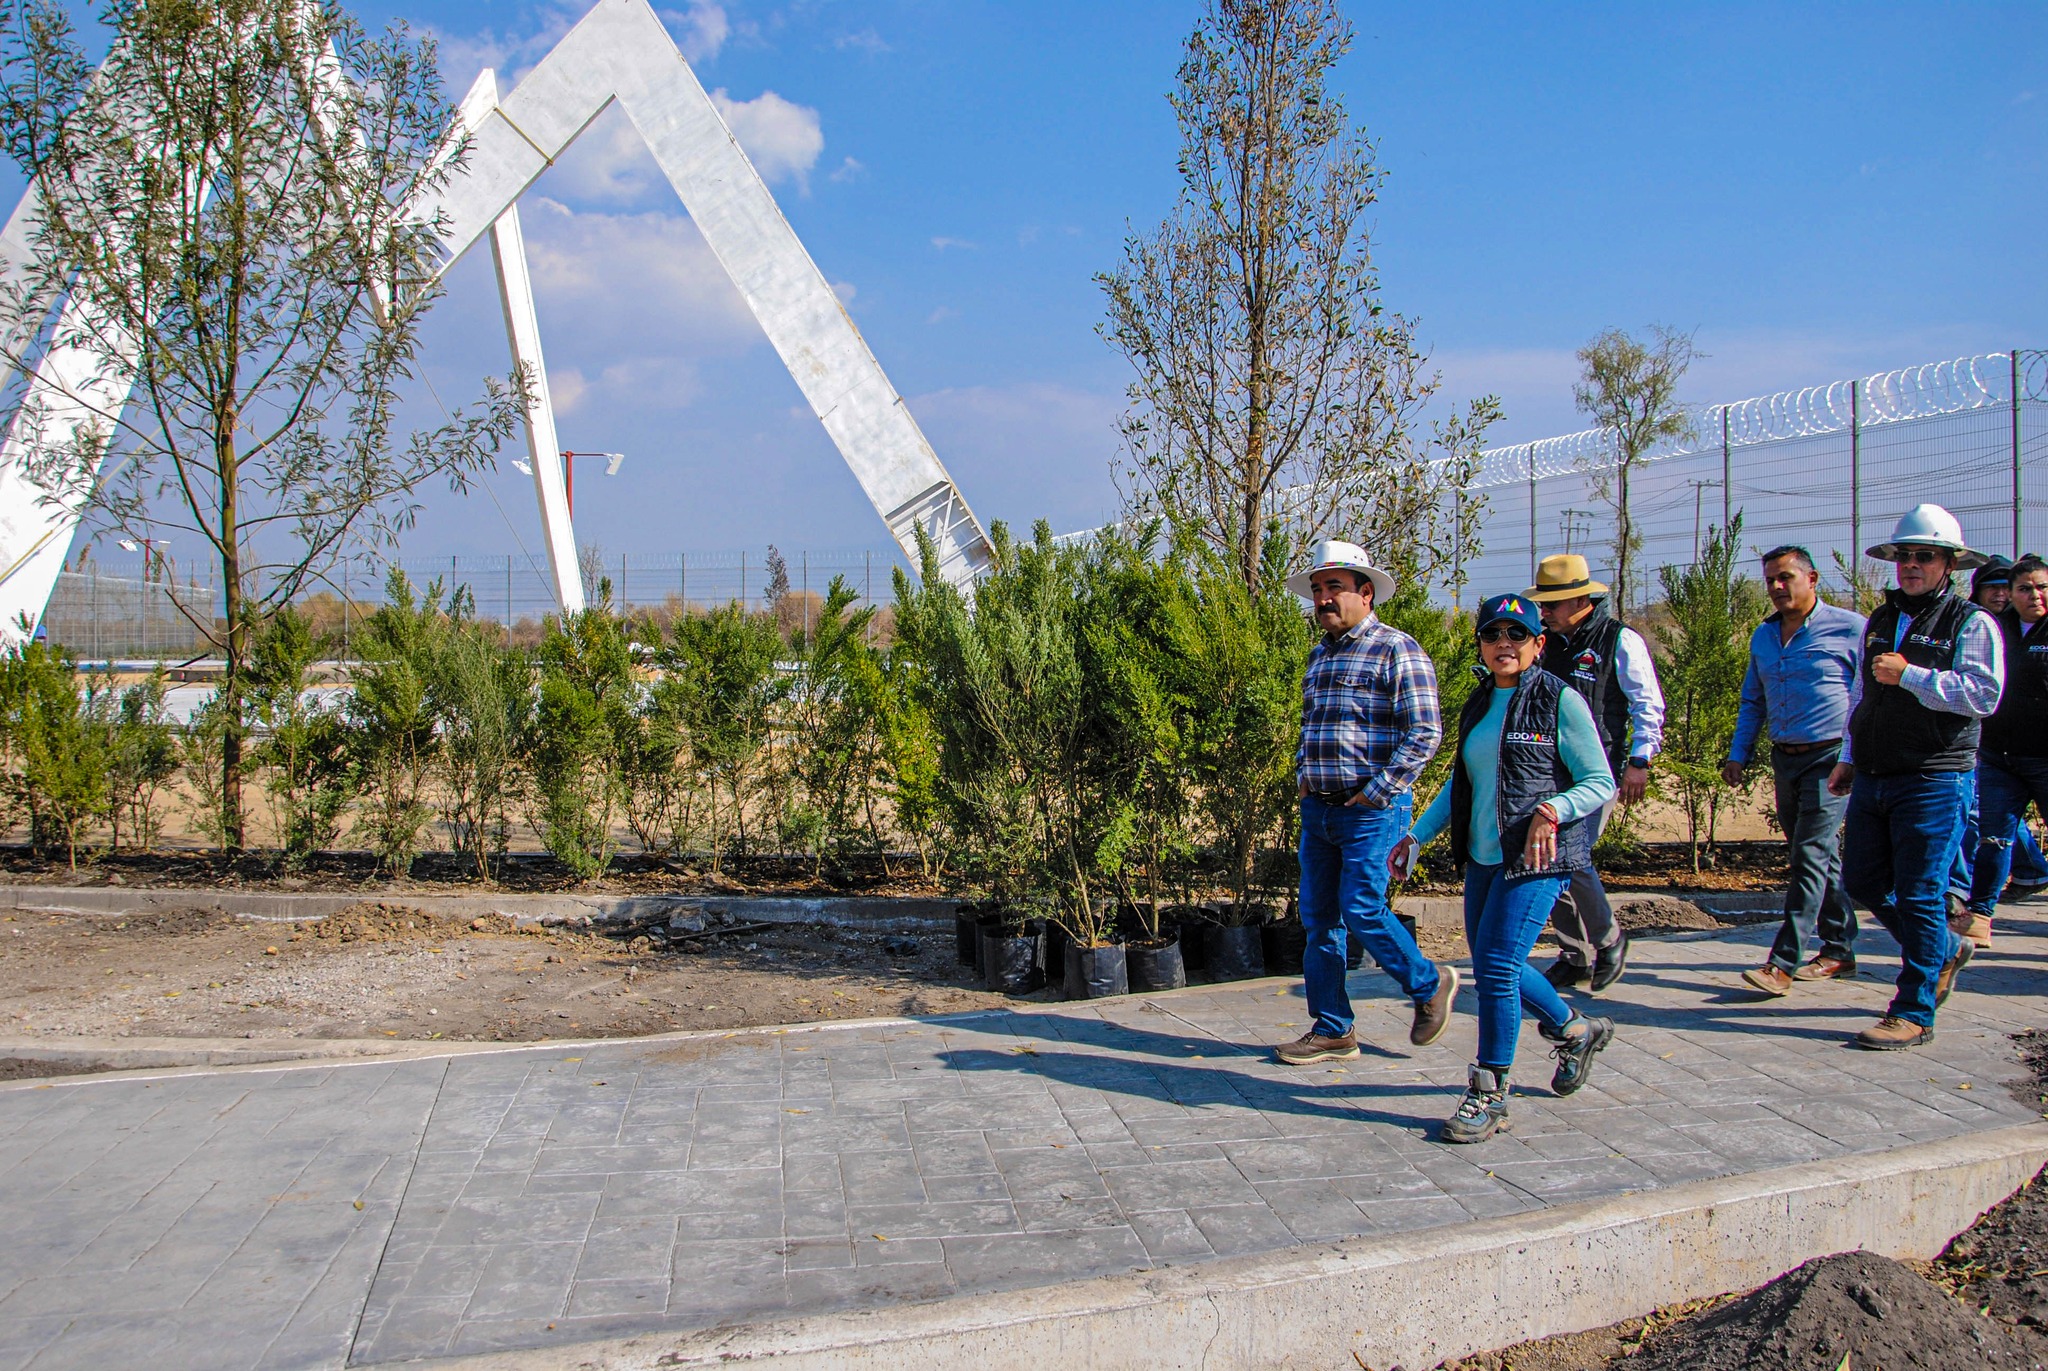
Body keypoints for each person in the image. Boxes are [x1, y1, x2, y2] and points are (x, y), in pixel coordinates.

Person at [1391, 593, 1617, 1144]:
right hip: (1484, 859)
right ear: (1481, 645)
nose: (1504, 644)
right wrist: (1416, 835)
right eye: (1493, 634)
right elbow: (1460, 784)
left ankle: (1489, 1092)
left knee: (1493, 968)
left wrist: (1552, 810)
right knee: (1503, 967)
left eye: (1518, 634)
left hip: (1536, 860)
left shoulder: (1560, 701)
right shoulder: (1478, 703)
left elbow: (1599, 781)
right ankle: (1574, 1030)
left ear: (1539, 644)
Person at [1275, 540, 1459, 1066]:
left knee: (1361, 908)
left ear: (1366, 593)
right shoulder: (1319, 657)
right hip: (1321, 810)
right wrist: (1304, 776)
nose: (1323, 599)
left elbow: (1424, 733)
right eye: (1317, 590)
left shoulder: (1397, 650)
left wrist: (1373, 792)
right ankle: (1333, 1028)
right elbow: (1316, 726)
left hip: (1373, 812)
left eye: (1335, 588)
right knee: (1318, 920)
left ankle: (1428, 984)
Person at [1830, 504, 2004, 1050]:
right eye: (1904, 555)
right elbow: (1862, 692)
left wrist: (1914, 677)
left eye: (1923, 556)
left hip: (1934, 777)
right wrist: (1849, 754)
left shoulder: (1971, 622)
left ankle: (1913, 1009)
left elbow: (1984, 694)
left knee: (1922, 893)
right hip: (1876, 773)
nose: (1910, 565)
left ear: (1949, 564)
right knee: (1862, 880)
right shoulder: (1882, 621)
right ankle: (1943, 952)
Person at [1722, 546, 1865, 995]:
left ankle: (1782, 963)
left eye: (1785, 577)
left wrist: (1855, 756)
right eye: (1770, 580)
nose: (1777, 587)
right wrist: (1738, 753)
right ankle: (1840, 948)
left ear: (1813, 578)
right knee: (1820, 858)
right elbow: (1753, 700)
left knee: (1809, 856)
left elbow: (1868, 698)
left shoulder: (1851, 629)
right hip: (1786, 757)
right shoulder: (1764, 637)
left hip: (1832, 758)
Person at [1524, 554, 1665, 994]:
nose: (1544, 611)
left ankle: (1609, 939)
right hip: (1546, 768)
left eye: (1553, 603)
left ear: (1582, 599)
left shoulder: (1619, 640)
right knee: (1547, 862)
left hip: (1595, 771)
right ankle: (1574, 955)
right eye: (1542, 603)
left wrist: (1639, 762)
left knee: (1572, 854)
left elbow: (1647, 705)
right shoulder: (1544, 644)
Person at [1960, 554, 2048, 946]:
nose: (2034, 595)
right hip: (1999, 758)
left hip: (2045, 758)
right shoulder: (1994, 629)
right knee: (1993, 836)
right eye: (2024, 589)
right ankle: (1980, 915)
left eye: (2042, 587)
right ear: (2010, 595)